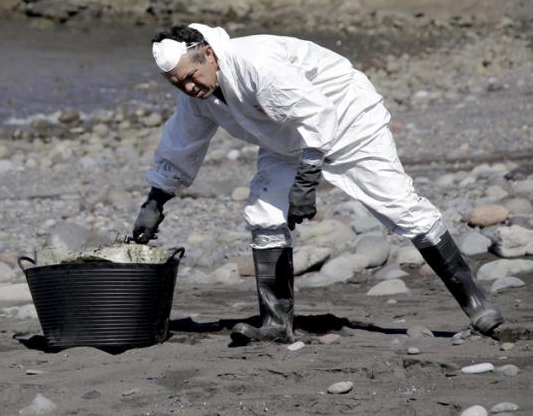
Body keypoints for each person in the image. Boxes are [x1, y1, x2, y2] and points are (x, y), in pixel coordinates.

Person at [132, 23, 504, 345]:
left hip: (347, 122)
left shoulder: (256, 63)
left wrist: (307, 182)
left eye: (191, 75)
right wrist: (156, 199)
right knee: (263, 213)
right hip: (286, 139)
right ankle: (277, 323)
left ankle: (476, 305)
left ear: (209, 54)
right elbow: (182, 145)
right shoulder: (198, 97)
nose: (188, 86)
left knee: (402, 207)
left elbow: (316, 113)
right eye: (177, 82)